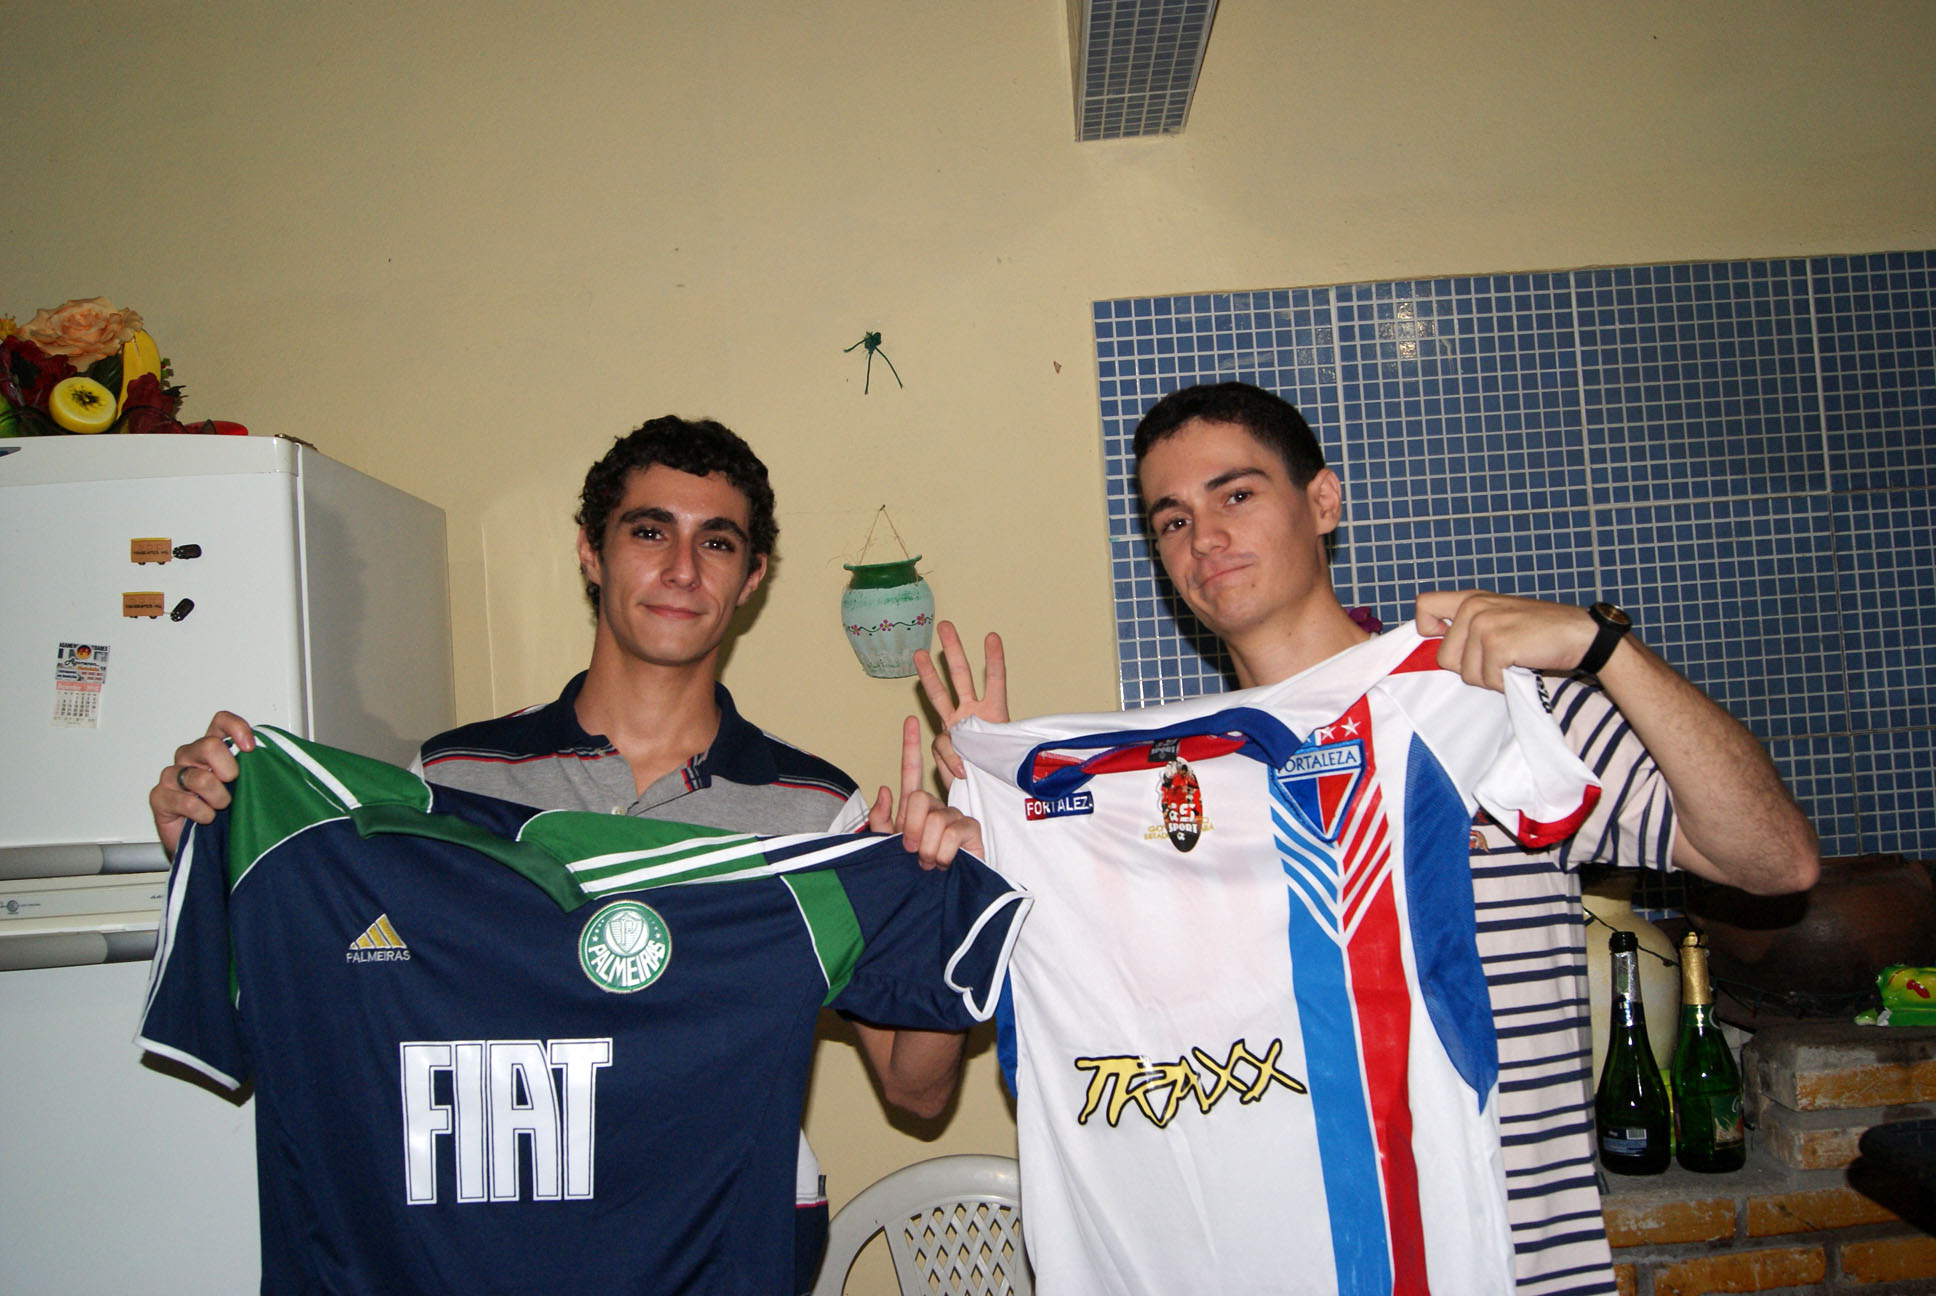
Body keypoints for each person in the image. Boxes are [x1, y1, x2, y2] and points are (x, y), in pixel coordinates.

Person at [914, 380, 1818, 1296]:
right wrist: (1009, 821)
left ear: (1323, 502)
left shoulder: (1480, 698)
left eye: (1236, 495)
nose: (1205, 539)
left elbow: (1774, 860)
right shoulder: (1167, 790)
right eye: (1172, 521)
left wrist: (1603, 649)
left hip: (1522, 1267)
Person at [148, 414, 975, 1296]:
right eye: (649, 532)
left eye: (717, 543)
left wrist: (940, 902)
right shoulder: (450, 778)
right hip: (486, 1250)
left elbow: (917, 1093)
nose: (682, 569)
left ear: (751, 577)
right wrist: (221, 850)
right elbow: (345, 992)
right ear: (591, 551)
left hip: (714, 1253)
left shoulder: (813, 810)